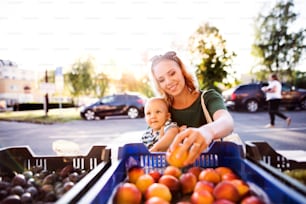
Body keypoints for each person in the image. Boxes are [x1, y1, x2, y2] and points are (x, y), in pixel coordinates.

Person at [149, 51, 234, 166]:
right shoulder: (162, 108)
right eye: (161, 80)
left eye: (172, 73)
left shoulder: (208, 98)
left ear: (182, 71)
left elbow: (226, 121)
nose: (168, 82)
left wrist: (207, 131)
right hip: (173, 174)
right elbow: (153, 142)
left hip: (211, 171)